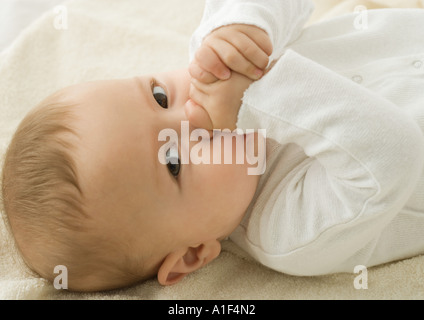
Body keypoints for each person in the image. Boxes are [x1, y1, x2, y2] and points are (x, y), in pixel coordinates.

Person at [2, 0, 424, 292]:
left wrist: (241, 27)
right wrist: (254, 98)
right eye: (172, 162)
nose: (189, 114)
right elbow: (395, 153)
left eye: (159, 97)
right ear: (192, 254)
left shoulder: (216, 64)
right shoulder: (287, 230)